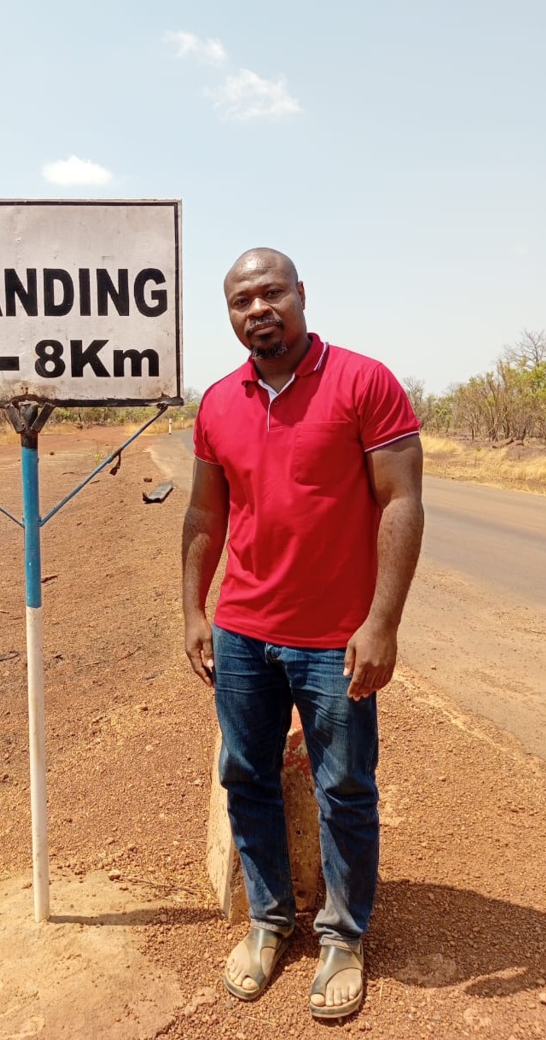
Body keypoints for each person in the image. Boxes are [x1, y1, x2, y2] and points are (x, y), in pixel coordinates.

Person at [182, 248, 423, 1019]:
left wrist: (381, 622)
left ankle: (343, 936)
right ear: (230, 314)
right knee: (246, 778)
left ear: (300, 295)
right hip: (243, 632)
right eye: (241, 299)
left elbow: (401, 502)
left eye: (270, 292)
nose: (258, 308)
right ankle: (267, 921)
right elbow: (204, 513)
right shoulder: (218, 401)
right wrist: (194, 612)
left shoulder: (363, 381)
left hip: (334, 639)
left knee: (344, 787)